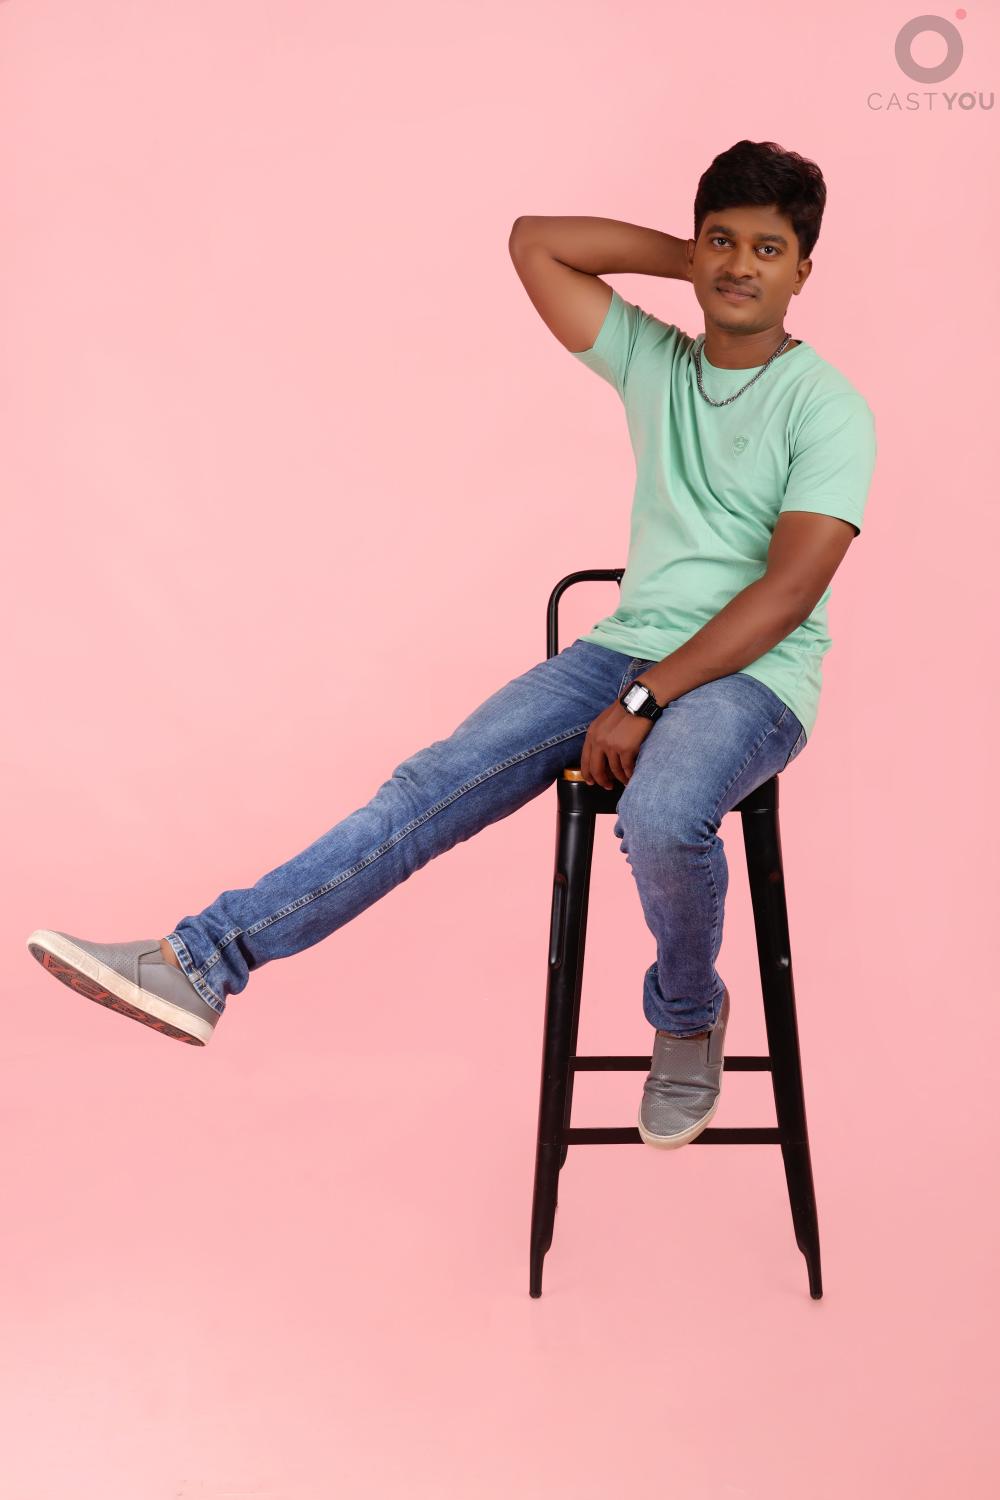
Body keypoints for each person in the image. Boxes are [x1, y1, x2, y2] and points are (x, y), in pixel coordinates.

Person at [26, 138, 877, 1151]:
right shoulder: (657, 362)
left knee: (659, 814)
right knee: (427, 787)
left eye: (767, 250)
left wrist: (647, 698)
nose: (739, 267)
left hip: (754, 679)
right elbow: (535, 244)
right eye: (721, 242)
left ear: (803, 270)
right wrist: (692, 260)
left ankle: (688, 1015)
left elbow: (787, 592)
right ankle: (201, 963)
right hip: (625, 650)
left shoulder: (829, 407)